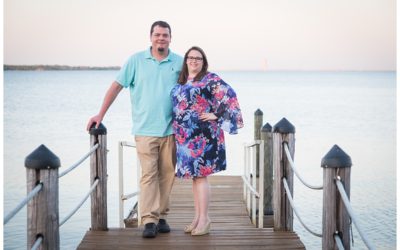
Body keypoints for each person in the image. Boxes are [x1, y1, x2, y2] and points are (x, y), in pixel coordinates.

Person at [86, 21, 183, 238]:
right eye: (157, 34)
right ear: (150, 37)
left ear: (170, 38)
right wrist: (100, 114)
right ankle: (149, 220)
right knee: (149, 175)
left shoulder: (179, 62)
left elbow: (194, 88)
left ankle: (162, 216)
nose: (161, 38)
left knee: (167, 175)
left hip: (172, 131)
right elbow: (116, 87)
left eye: (165, 35)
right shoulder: (136, 61)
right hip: (145, 129)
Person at [170, 46, 243, 236]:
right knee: (195, 177)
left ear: (203, 62)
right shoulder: (181, 80)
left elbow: (230, 95)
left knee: (201, 176)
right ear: (186, 60)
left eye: (198, 58)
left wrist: (216, 114)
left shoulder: (209, 79)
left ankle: (205, 219)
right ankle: (197, 217)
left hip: (203, 136)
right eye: (191, 57)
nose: (194, 60)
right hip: (185, 138)